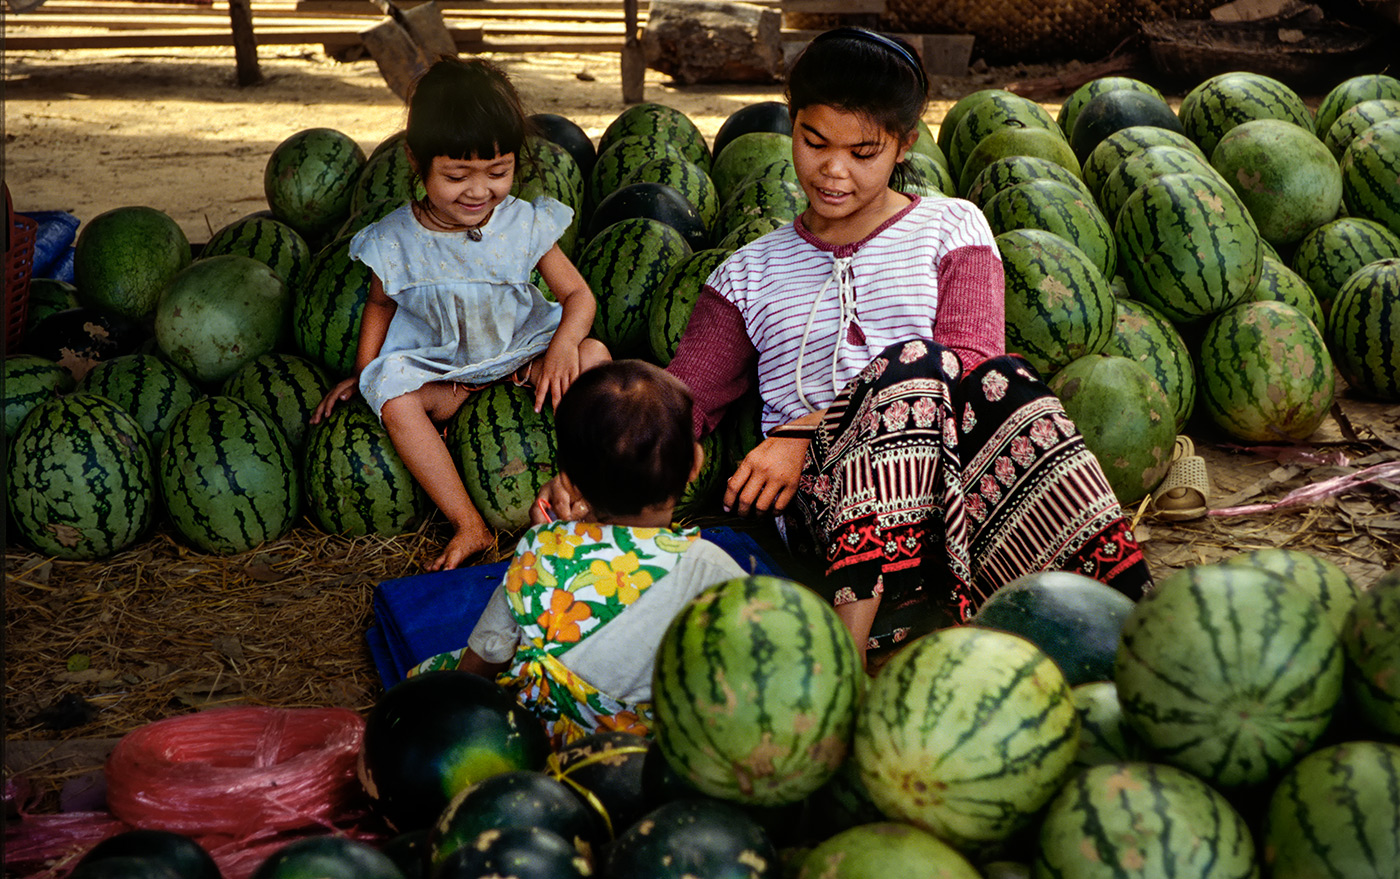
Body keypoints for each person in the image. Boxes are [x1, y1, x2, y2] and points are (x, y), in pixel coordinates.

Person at [542, 28, 1152, 670]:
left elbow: (967, 364)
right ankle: (842, 667)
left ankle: (1134, 629)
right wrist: (595, 471)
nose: (834, 171)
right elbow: (678, 403)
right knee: (915, 367)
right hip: (820, 511)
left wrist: (806, 428)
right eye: (814, 143)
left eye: (863, 151)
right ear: (794, 127)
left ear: (903, 144)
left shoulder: (953, 227)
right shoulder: (747, 272)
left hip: (953, 497)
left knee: (996, 382)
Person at [311, 57, 609, 573]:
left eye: (498, 172)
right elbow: (380, 305)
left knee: (596, 355)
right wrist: (364, 375)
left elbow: (579, 297)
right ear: (416, 160)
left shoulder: (521, 222)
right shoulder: (396, 239)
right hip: (446, 375)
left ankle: (592, 489)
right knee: (396, 403)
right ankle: (468, 522)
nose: (478, 192)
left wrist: (562, 346)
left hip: (523, 357)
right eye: (456, 175)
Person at [410, 360, 748, 746]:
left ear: (567, 481)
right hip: (633, 752)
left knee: (429, 673)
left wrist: (450, 713)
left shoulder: (540, 545)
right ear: (695, 465)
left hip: (536, 734)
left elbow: (487, 652)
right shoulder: (707, 565)